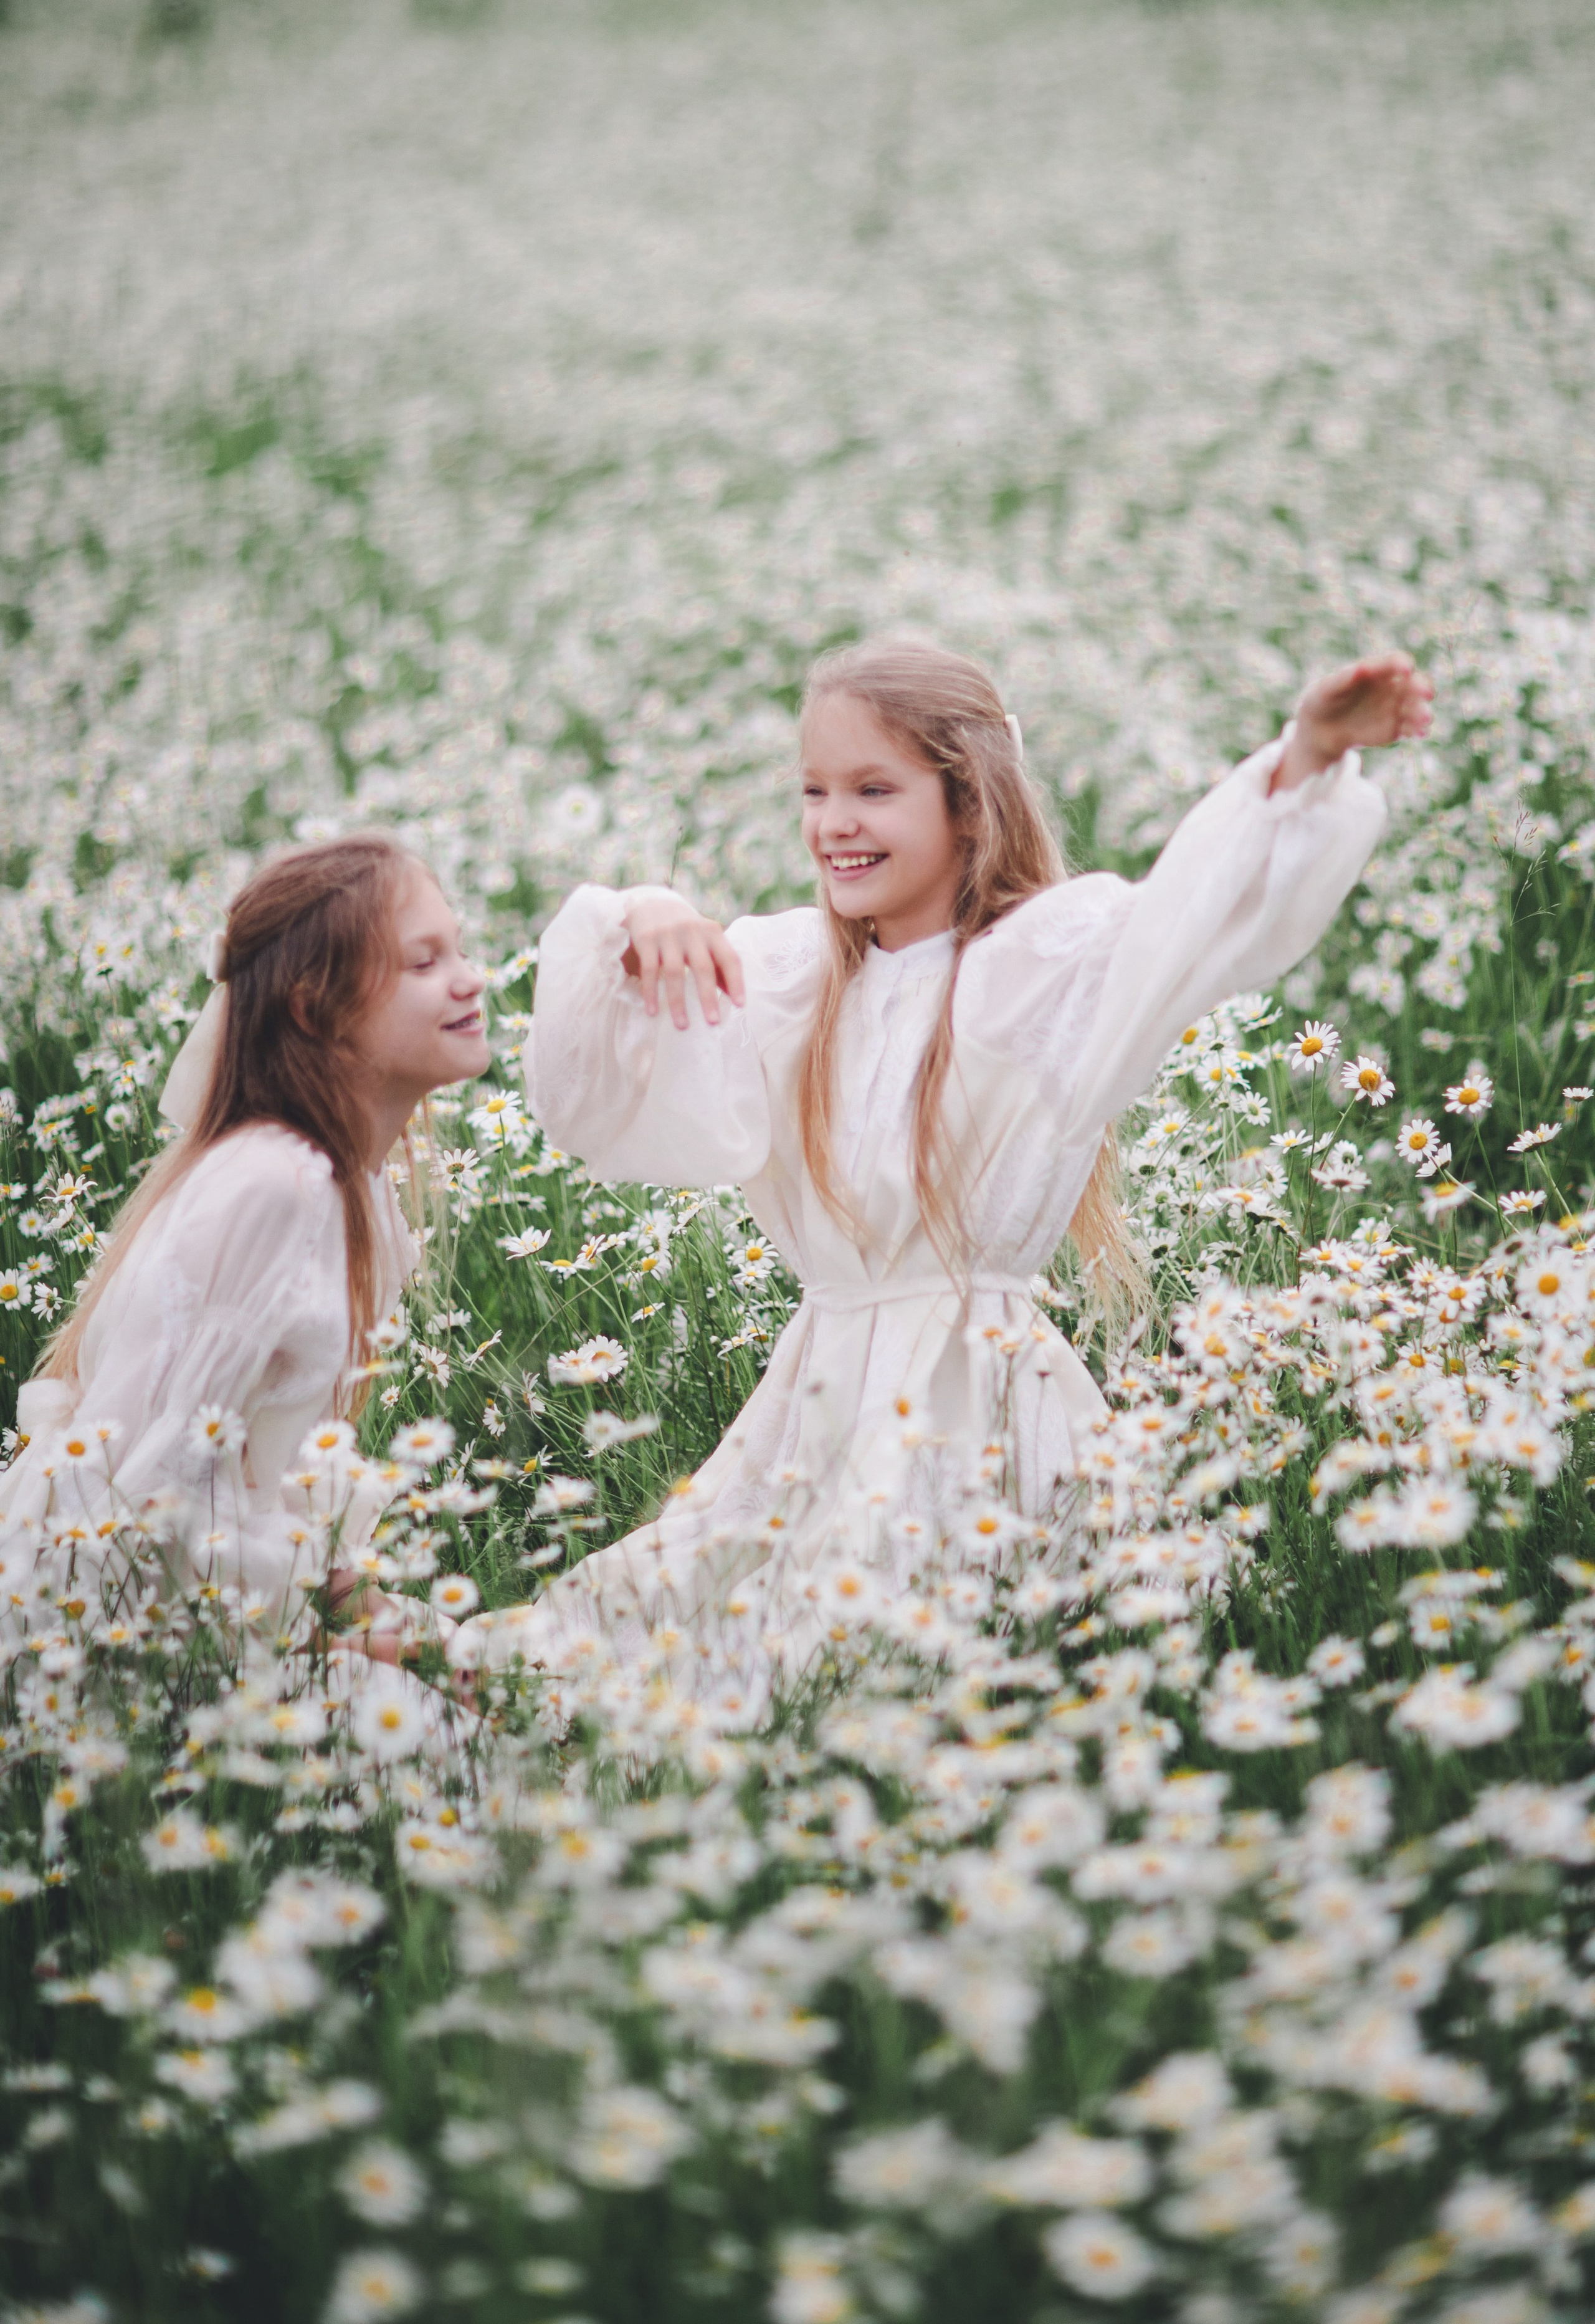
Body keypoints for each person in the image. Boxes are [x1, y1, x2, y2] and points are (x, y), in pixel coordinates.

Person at [455, 638, 1432, 1683]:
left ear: (968, 802)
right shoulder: (787, 979)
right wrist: (637, 912)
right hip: (819, 1397)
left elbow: (1188, 923)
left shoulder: (1028, 968)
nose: (835, 821)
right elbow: (591, 1093)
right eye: (816, 789)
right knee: (672, 1642)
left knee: (908, 1654)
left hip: (979, 1396)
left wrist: (1308, 755)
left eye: (875, 789)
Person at [0, 832, 490, 1656]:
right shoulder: (277, 1186)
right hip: (121, 1635)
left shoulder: (350, 1187)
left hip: (218, 1603)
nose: (470, 977)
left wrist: (399, 1636)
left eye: (460, 948)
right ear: (313, 1007)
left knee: (526, 1679)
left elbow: (264, 1482)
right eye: (422, 962)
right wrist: (308, 1656)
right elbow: (155, 1494)